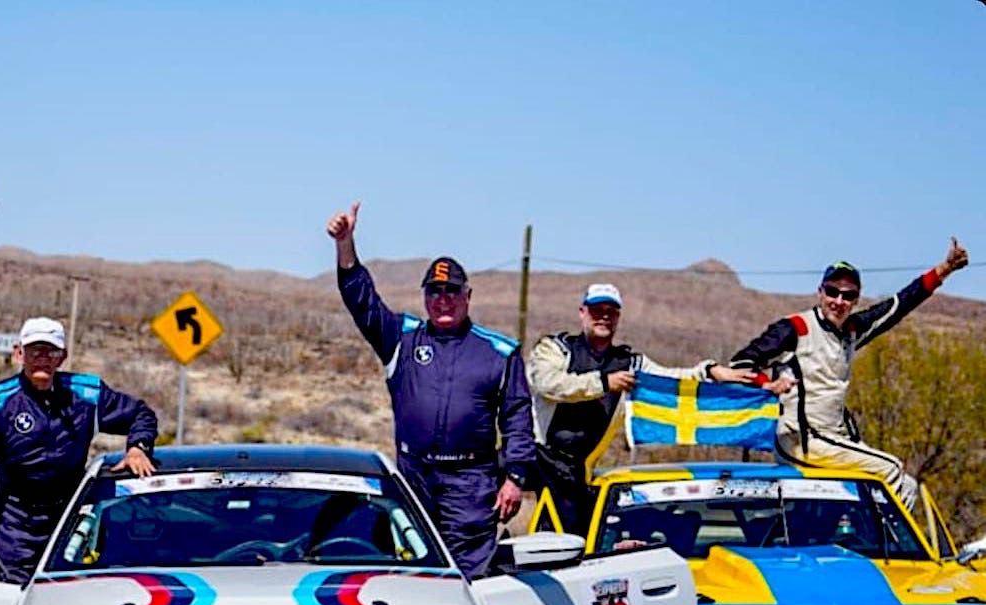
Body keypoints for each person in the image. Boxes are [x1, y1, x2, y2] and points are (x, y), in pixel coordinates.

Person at [327, 202, 534, 577]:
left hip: (471, 484)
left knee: (467, 577)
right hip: (414, 477)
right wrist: (345, 245)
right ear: (424, 297)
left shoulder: (499, 353)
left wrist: (515, 478)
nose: (443, 299)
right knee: (408, 574)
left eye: (452, 291)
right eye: (434, 291)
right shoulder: (401, 338)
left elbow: (518, 419)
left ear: (468, 295)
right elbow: (362, 301)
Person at [0, 317, 158, 583]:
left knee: (72, 595)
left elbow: (141, 414)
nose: (42, 359)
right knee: (11, 596)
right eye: (34, 351)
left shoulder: (88, 395)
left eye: (50, 352)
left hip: (69, 519)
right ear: (19, 354)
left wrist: (137, 447)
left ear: (62, 357)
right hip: (15, 526)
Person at [727, 239, 969, 510]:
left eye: (848, 295)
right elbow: (739, 364)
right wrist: (767, 384)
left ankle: (853, 531)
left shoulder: (852, 330)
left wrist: (945, 268)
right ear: (820, 292)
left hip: (835, 439)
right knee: (891, 469)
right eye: (832, 292)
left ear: (856, 299)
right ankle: (883, 536)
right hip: (801, 440)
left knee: (907, 486)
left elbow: (899, 304)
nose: (839, 301)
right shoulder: (795, 328)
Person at [527, 283, 749, 534]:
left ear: (618, 317)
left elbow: (671, 380)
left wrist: (709, 371)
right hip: (537, 456)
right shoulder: (555, 348)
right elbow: (548, 383)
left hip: (579, 470)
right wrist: (603, 383)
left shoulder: (630, 363)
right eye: (597, 310)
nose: (603, 317)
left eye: (610, 311)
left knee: (581, 534)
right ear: (582, 312)